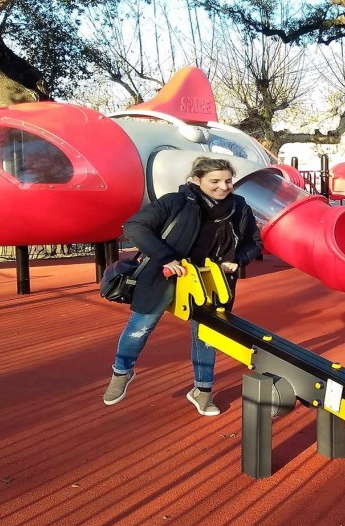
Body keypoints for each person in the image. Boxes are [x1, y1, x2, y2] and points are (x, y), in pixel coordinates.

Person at [102, 157, 263, 416]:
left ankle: (203, 390)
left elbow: (254, 241)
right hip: (166, 273)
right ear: (196, 180)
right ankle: (122, 371)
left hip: (210, 278)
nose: (223, 187)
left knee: (208, 333)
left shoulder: (239, 207)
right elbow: (135, 226)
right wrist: (166, 257)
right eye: (215, 181)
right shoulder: (177, 201)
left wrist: (237, 259)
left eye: (228, 181)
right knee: (141, 326)